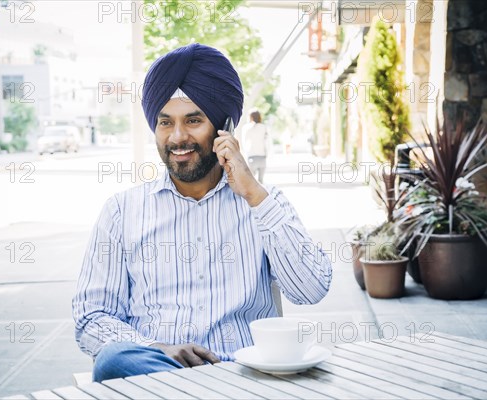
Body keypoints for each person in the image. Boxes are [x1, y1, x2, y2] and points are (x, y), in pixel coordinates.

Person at [72, 43, 332, 383]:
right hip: (157, 378)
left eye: (193, 120)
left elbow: (310, 290)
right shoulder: (122, 212)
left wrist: (255, 194)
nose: (178, 137)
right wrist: (154, 348)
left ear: (224, 127)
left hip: (243, 377)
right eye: (165, 123)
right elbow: (92, 317)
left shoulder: (264, 204)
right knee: (114, 359)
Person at [243, 110, 269, 183]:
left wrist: (246, 154)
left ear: (251, 117)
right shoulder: (264, 127)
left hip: (251, 157)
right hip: (262, 157)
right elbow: (267, 142)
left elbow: (244, 142)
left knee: (251, 182)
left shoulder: (246, 128)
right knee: (261, 181)